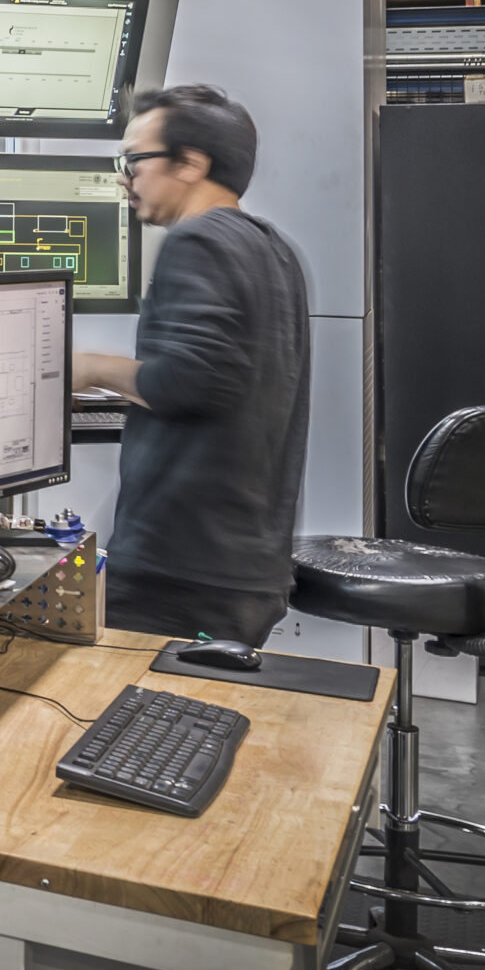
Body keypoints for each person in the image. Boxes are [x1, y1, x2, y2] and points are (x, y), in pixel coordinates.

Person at [72, 85, 312, 647]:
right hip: (245, 562)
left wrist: (88, 368)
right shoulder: (274, 247)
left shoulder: (198, 241)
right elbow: (229, 380)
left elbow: (191, 381)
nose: (125, 179)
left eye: (134, 160)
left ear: (190, 164)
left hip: (181, 572)